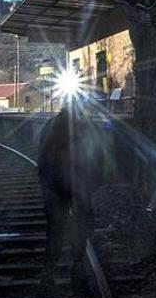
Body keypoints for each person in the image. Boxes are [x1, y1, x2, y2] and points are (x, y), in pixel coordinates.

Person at [36, 103, 108, 286]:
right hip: (81, 186)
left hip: (56, 185)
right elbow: (99, 157)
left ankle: (49, 272)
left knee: (55, 230)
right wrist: (94, 182)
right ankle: (77, 267)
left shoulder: (51, 125)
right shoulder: (89, 127)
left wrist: (46, 184)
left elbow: (42, 156)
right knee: (81, 226)